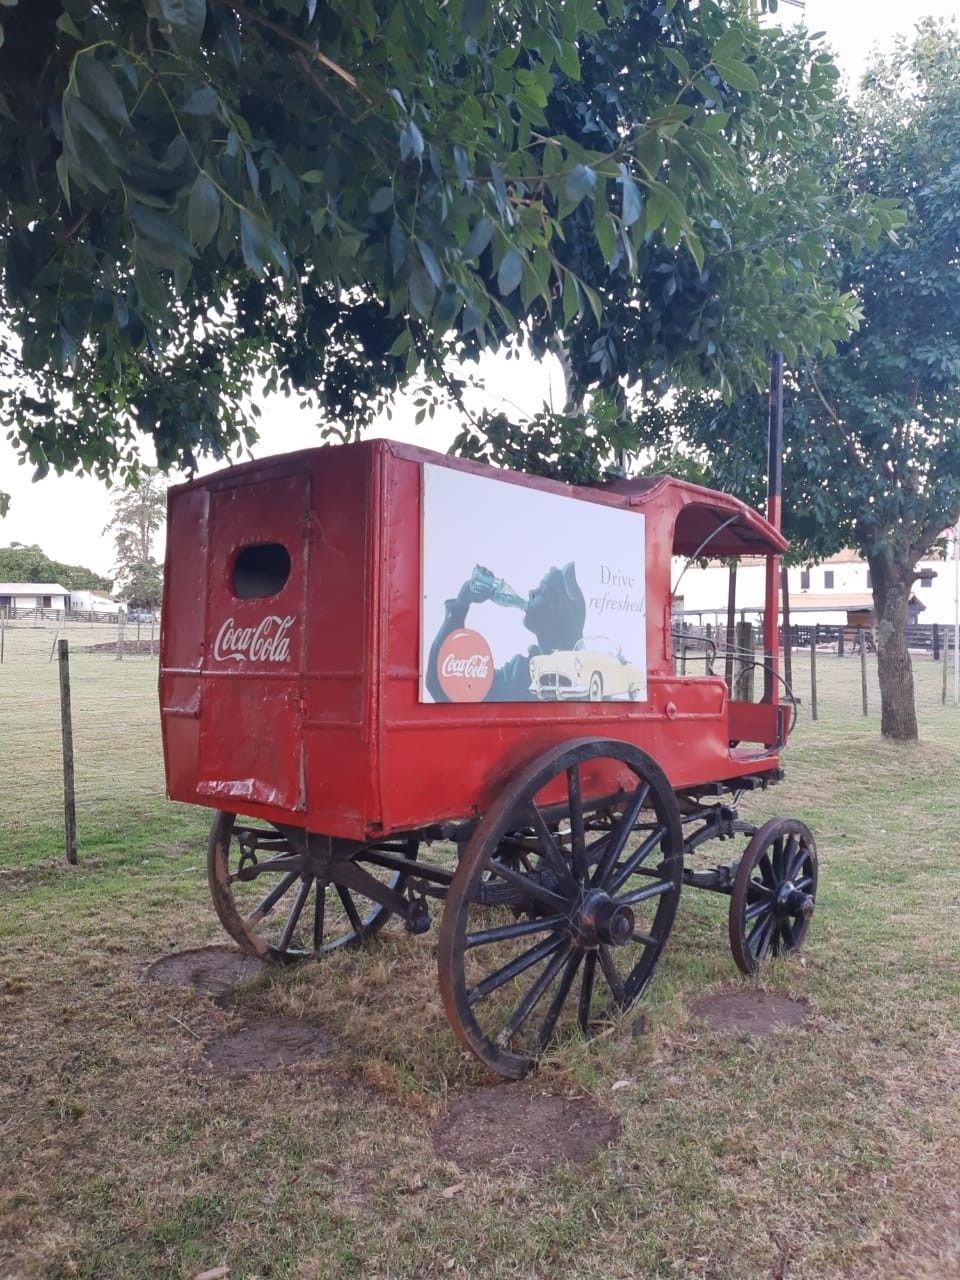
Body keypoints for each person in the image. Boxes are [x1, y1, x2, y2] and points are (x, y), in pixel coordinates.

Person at [426, 562, 586, 702]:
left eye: (542, 590)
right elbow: (443, 685)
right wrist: (461, 604)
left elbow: (441, 687)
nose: (531, 592)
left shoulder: (580, 672)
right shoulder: (521, 673)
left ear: (556, 609)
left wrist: (460, 608)